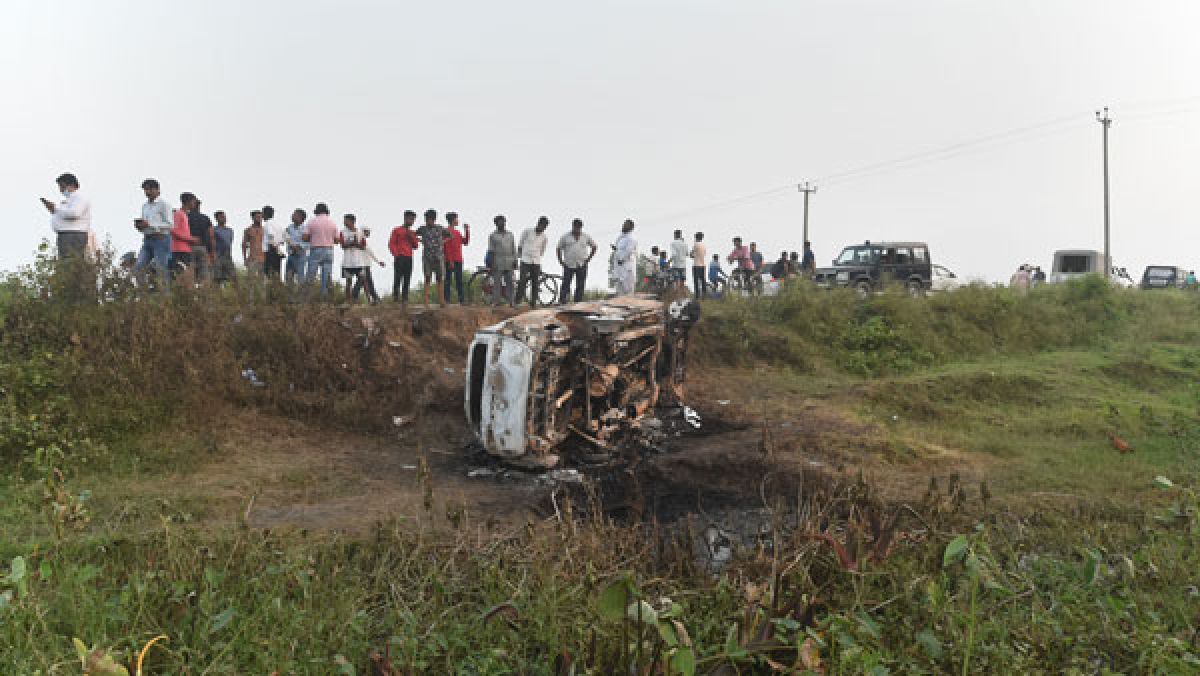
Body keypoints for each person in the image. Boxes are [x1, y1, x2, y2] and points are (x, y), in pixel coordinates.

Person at [132, 178, 172, 291]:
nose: (147, 192)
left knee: (161, 270)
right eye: (145, 189)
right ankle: (145, 296)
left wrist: (151, 225)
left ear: (157, 190)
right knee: (138, 268)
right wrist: (141, 227)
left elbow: (170, 225)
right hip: (147, 240)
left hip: (161, 240)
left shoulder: (164, 205)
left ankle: (166, 300)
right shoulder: (145, 206)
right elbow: (146, 225)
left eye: (150, 189)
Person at [42, 172, 92, 259]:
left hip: (74, 235)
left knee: (71, 263)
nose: (61, 190)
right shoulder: (68, 200)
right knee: (64, 263)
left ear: (72, 185)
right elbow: (64, 214)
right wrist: (54, 211)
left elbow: (74, 213)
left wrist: (56, 208)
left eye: (63, 186)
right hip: (65, 235)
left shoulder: (80, 198)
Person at [556, 218, 597, 304]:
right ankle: (562, 301)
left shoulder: (586, 236)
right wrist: (560, 260)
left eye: (578, 227)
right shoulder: (565, 237)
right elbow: (558, 248)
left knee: (580, 285)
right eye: (575, 227)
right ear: (573, 226)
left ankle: (577, 302)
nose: (577, 229)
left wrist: (588, 259)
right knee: (566, 283)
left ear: (581, 227)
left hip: (581, 264)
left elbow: (594, 246)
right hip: (568, 264)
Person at [303, 203, 338, 298]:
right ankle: (324, 298)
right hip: (329, 250)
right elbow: (337, 240)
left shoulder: (311, 222)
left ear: (316, 211)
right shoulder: (332, 222)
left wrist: (313, 237)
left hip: (316, 250)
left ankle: (306, 297)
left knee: (311, 274)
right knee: (326, 277)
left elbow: (305, 237)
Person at [516, 216, 550, 307]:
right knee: (522, 281)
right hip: (525, 260)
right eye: (542, 225)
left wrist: (538, 258)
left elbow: (542, 251)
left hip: (536, 262)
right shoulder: (527, 231)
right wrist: (519, 257)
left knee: (535, 282)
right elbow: (520, 245)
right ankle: (517, 301)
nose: (543, 228)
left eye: (545, 227)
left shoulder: (544, 237)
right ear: (538, 223)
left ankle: (533, 303)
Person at [416, 209, 447, 307]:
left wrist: (442, 242)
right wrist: (421, 241)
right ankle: (426, 302)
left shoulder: (440, 228)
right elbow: (414, 235)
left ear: (434, 219)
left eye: (428, 219)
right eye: (426, 219)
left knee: (440, 279)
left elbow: (450, 236)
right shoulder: (422, 229)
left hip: (439, 257)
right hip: (427, 258)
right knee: (427, 278)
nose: (427, 221)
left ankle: (441, 301)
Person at [182, 193, 215, 284]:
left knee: (190, 273)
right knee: (204, 274)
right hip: (203, 248)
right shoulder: (205, 218)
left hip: (189, 248)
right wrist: (211, 252)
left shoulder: (185, 217)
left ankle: (191, 294)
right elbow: (211, 236)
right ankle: (204, 294)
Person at [388, 210, 419, 304]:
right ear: (405, 218)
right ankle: (395, 298)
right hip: (400, 257)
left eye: (413, 220)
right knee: (397, 278)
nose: (412, 221)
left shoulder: (412, 232)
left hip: (409, 257)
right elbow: (391, 244)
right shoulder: (397, 230)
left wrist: (411, 237)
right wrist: (396, 254)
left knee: (407, 278)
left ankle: (405, 298)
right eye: (410, 219)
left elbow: (416, 246)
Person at [339, 214, 369, 304]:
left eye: (346, 220)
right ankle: (348, 301)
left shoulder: (360, 233)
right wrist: (352, 243)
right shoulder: (342, 232)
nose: (344, 222)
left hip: (358, 261)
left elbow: (363, 246)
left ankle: (369, 300)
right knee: (348, 282)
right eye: (344, 220)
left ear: (352, 221)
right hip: (347, 262)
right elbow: (342, 246)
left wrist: (356, 244)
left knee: (364, 280)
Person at [487, 215, 517, 306]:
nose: (502, 223)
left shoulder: (510, 234)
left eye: (503, 221)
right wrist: (492, 264)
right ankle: (496, 301)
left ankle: (511, 302)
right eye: (499, 222)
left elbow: (513, 248)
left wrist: (515, 260)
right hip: (498, 261)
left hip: (509, 261)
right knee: (497, 283)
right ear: (496, 224)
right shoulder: (492, 235)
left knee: (510, 283)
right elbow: (491, 250)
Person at [442, 212, 471, 304]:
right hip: (449, 260)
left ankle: (461, 300)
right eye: (456, 218)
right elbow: (446, 247)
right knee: (448, 280)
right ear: (452, 220)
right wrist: (450, 260)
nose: (458, 220)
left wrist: (467, 230)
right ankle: (447, 300)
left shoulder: (458, 232)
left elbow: (465, 242)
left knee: (459, 280)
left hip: (458, 259)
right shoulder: (446, 231)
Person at [352, 230, 386, 304]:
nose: (369, 233)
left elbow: (371, 254)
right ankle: (355, 297)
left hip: (366, 265)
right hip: (362, 265)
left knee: (366, 282)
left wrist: (378, 262)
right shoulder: (360, 243)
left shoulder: (364, 243)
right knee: (363, 281)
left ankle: (374, 298)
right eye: (367, 232)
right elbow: (369, 253)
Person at [169, 203, 195, 282]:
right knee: (180, 272)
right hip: (179, 250)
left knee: (185, 272)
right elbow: (174, 230)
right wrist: (190, 239)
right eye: (193, 202)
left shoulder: (184, 215)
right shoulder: (178, 214)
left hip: (185, 249)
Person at [612, 219, 637, 295]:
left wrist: (621, 258)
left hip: (627, 268)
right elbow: (618, 250)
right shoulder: (620, 238)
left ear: (631, 227)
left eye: (626, 225)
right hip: (618, 269)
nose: (623, 226)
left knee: (628, 293)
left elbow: (628, 252)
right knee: (619, 293)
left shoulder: (631, 239)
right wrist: (616, 249)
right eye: (623, 224)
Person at [212, 211, 237, 287]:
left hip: (228, 257)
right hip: (218, 256)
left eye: (224, 216)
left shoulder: (230, 230)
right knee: (217, 279)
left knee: (233, 277)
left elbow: (230, 242)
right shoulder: (214, 230)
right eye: (221, 217)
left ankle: (236, 296)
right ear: (217, 219)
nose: (224, 218)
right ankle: (217, 296)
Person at [262, 206, 285, 279]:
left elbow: (271, 236)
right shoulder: (278, 225)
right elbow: (283, 238)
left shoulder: (267, 224)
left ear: (265, 214)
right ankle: (276, 289)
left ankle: (271, 289)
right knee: (277, 273)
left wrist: (276, 248)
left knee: (269, 274)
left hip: (270, 251)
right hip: (276, 252)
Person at [242, 211, 266, 276]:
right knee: (251, 280)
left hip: (263, 259)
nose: (260, 219)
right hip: (252, 258)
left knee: (261, 280)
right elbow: (244, 245)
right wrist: (245, 259)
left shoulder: (265, 230)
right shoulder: (248, 230)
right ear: (253, 218)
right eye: (257, 217)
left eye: (261, 217)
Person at [689, 232, 707, 298]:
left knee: (696, 281)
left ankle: (697, 295)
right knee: (703, 281)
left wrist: (693, 255)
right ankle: (704, 294)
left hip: (696, 265)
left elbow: (691, 255)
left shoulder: (695, 245)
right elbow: (704, 254)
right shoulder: (703, 245)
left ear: (696, 237)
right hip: (703, 265)